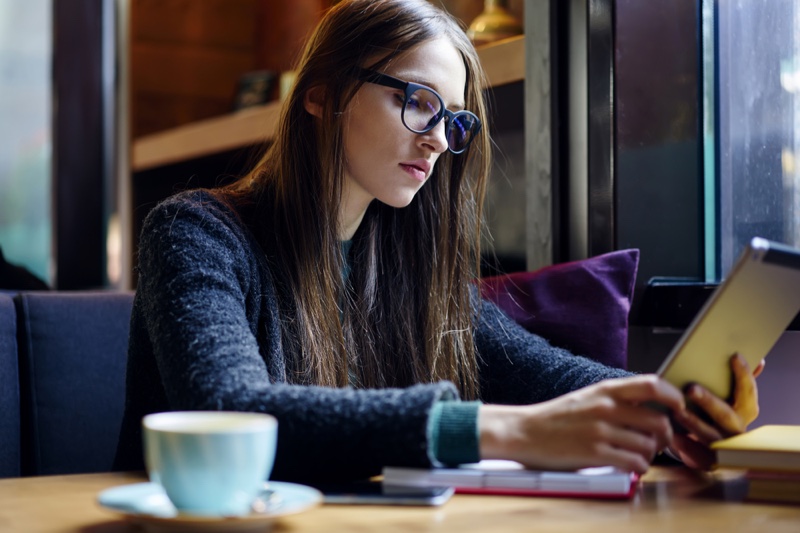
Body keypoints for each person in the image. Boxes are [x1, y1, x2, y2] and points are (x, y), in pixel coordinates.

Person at [114, 0, 761, 482]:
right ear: (320, 94)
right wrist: (510, 429)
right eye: (418, 101)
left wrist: (676, 411)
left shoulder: (403, 267)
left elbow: (548, 374)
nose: (436, 140)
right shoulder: (194, 234)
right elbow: (233, 414)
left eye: (453, 121)